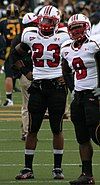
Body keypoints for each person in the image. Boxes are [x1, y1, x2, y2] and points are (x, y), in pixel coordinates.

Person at [11, 5, 70, 180]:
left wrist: (67, 77)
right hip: (37, 86)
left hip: (57, 88)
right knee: (33, 129)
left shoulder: (64, 36)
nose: (44, 24)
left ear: (56, 22)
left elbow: (75, 58)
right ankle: (27, 168)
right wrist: (26, 73)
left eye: (49, 21)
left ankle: (57, 168)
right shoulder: (29, 34)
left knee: (56, 128)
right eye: (42, 20)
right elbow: (16, 55)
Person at [61, 13, 100, 185]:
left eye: (79, 27)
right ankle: (87, 175)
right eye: (73, 28)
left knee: (97, 133)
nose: (76, 31)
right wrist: (72, 89)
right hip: (79, 97)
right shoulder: (66, 48)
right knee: (82, 137)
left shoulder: (95, 44)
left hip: (94, 95)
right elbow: (66, 70)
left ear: (87, 27)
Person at [10, 12, 38, 140]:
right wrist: (24, 72)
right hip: (28, 74)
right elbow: (14, 58)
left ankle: (26, 128)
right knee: (28, 104)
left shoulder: (21, 37)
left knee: (31, 104)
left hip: (36, 74)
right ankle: (27, 131)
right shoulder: (23, 39)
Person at [0, 3, 22, 106]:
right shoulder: (22, 21)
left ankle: (9, 100)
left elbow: (1, 38)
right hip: (22, 50)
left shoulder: (3, 22)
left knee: (8, 75)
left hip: (9, 50)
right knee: (26, 74)